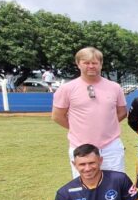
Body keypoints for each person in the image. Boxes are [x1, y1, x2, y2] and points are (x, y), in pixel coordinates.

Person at [52, 47, 128, 178]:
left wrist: (106, 126)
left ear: (101, 64)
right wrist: (79, 128)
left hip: (110, 146)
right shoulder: (67, 89)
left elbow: (122, 112)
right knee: (85, 186)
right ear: (78, 64)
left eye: (94, 63)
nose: (91, 66)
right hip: (80, 147)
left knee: (116, 183)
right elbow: (57, 116)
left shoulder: (114, 87)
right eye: (86, 63)